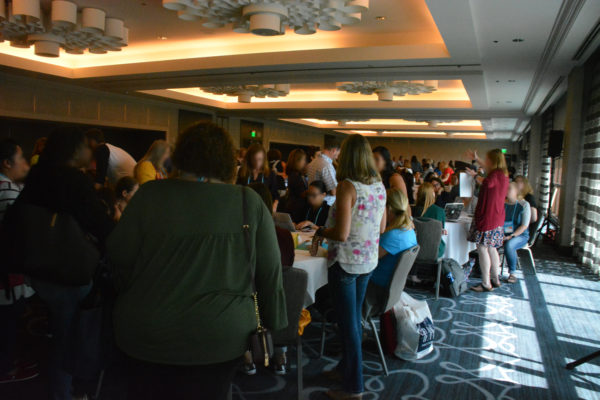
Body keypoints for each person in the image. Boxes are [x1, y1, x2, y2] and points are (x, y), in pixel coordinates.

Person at [107, 122, 287, 400]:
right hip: (221, 335)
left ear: (180, 156)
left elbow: (118, 256)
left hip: (147, 329)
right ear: (228, 161)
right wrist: (275, 324)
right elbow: (270, 271)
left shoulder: (150, 195)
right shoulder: (247, 201)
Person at [9, 128, 114, 399]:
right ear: (72, 150)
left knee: (61, 331)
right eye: (85, 147)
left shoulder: (37, 177)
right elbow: (101, 226)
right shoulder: (72, 181)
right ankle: (65, 392)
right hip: (69, 271)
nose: (89, 152)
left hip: (37, 270)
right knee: (70, 339)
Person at [313, 134, 386, 400]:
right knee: (354, 319)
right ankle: (346, 369)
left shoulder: (347, 186)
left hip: (345, 263)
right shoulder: (379, 186)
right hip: (367, 261)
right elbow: (380, 228)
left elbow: (341, 234)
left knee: (349, 324)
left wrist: (321, 230)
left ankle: (354, 387)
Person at [0, 138, 36, 385]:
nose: (25, 162)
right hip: (6, 276)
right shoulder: (7, 191)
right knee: (6, 323)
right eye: (21, 157)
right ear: (6, 163)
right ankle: (5, 368)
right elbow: (20, 232)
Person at [248, 182, 294, 375]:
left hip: (248, 308)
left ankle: (247, 355)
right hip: (284, 307)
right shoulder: (284, 235)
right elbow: (289, 268)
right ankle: (280, 353)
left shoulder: (244, 236)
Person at [465, 148, 509, 292]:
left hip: (488, 217)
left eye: (487, 159)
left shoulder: (495, 175)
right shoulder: (503, 174)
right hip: (497, 217)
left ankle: (485, 283)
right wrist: (477, 159)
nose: (486, 161)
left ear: (492, 161)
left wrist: (475, 175)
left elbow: (487, 182)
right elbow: (489, 176)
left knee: (482, 248)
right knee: (492, 248)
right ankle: (495, 279)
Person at [370, 188, 418, 288]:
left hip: (377, 283)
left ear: (389, 209)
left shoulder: (393, 235)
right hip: (393, 284)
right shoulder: (409, 230)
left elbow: (370, 259)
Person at [503, 182, 531, 284]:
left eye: (509, 189)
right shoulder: (503, 203)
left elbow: (524, 226)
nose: (506, 190)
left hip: (520, 235)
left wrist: (511, 236)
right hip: (504, 233)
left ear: (516, 191)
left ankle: (513, 273)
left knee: (510, 245)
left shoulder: (524, 205)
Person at [237, 143, 281, 208]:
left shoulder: (270, 173)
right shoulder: (243, 171)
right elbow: (237, 190)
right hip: (246, 206)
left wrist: (275, 205)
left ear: (264, 159)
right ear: (249, 159)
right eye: (254, 160)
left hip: (263, 207)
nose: (257, 163)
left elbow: (275, 194)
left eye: (260, 159)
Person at [413, 182, 446, 258]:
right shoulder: (440, 211)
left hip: (414, 249)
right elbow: (441, 231)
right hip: (435, 250)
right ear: (433, 195)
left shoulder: (412, 210)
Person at [306, 136, 341, 206]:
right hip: (325, 205)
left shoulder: (312, 162)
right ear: (334, 150)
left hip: (312, 202)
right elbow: (333, 192)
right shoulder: (326, 166)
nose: (337, 156)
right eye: (338, 152)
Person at [284, 148, 308, 222]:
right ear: (297, 161)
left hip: (294, 206)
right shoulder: (295, 176)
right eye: (303, 159)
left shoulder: (296, 174)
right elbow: (301, 193)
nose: (305, 162)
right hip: (296, 208)